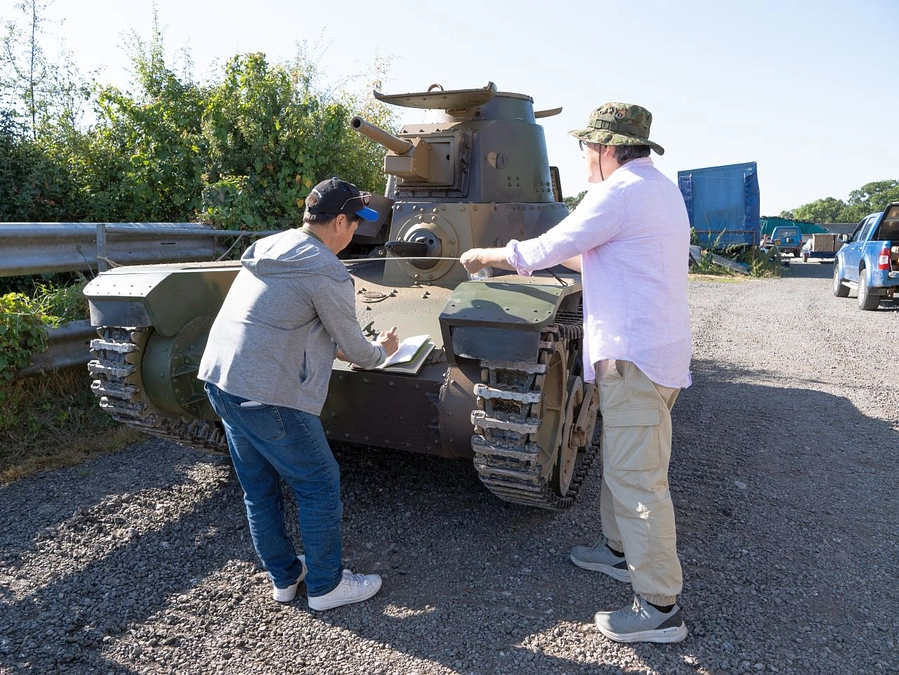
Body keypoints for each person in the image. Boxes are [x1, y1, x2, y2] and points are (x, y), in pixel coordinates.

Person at [460, 103, 692, 643]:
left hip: (634, 356)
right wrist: (544, 254)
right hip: (656, 352)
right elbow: (595, 256)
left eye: (589, 146)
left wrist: (489, 256)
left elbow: (548, 247)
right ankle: (617, 551)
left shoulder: (618, 192)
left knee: (640, 482)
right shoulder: (656, 188)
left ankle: (660, 608)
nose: (585, 155)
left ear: (609, 149)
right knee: (625, 460)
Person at [199, 177, 399, 611]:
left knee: (258, 488)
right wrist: (384, 348)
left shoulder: (270, 247)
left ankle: (286, 579)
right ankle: (327, 586)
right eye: (355, 224)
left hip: (221, 379)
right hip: (266, 392)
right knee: (319, 484)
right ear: (339, 221)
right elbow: (362, 354)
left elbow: (297, 320)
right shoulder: (326, 270)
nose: (356, 233)